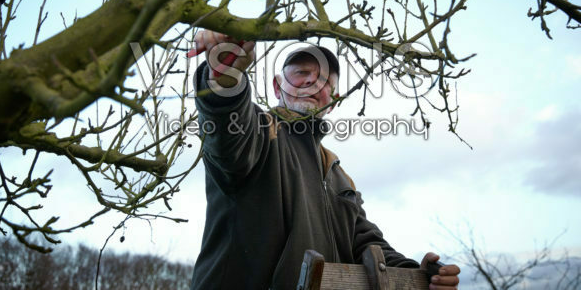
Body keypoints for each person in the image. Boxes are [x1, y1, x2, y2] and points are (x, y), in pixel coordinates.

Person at [189, 30, 460, 290]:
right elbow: (226, 127)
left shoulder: (339, 176)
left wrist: (421, 276)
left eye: (324, 81)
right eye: (302, 73)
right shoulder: (258, 132)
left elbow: (366, 245)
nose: (311, 82)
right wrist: (225, 77)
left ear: (333, 100)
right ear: (276, 86)